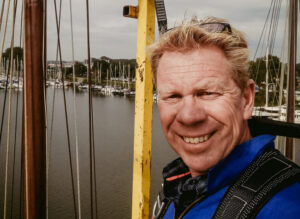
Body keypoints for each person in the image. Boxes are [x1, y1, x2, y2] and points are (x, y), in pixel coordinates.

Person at [148, 16, 300, 219]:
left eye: (207, 93)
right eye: (173, 96)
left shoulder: (287, 208)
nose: (188, 116)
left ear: (246, 99)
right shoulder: (179, 188)